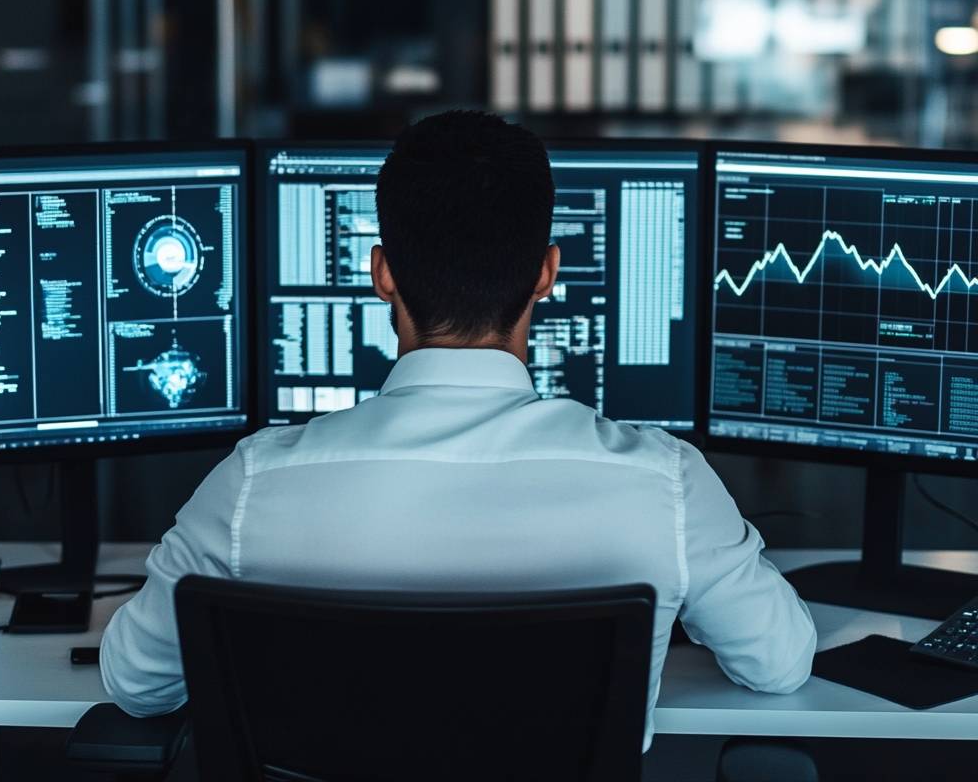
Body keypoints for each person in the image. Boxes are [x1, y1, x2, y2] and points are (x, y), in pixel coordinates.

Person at [100, 111, 816, 749]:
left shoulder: (252, 486)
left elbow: (136, 682)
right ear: (545, 274)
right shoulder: (665, 484)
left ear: (381, 274)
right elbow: (780, 665)